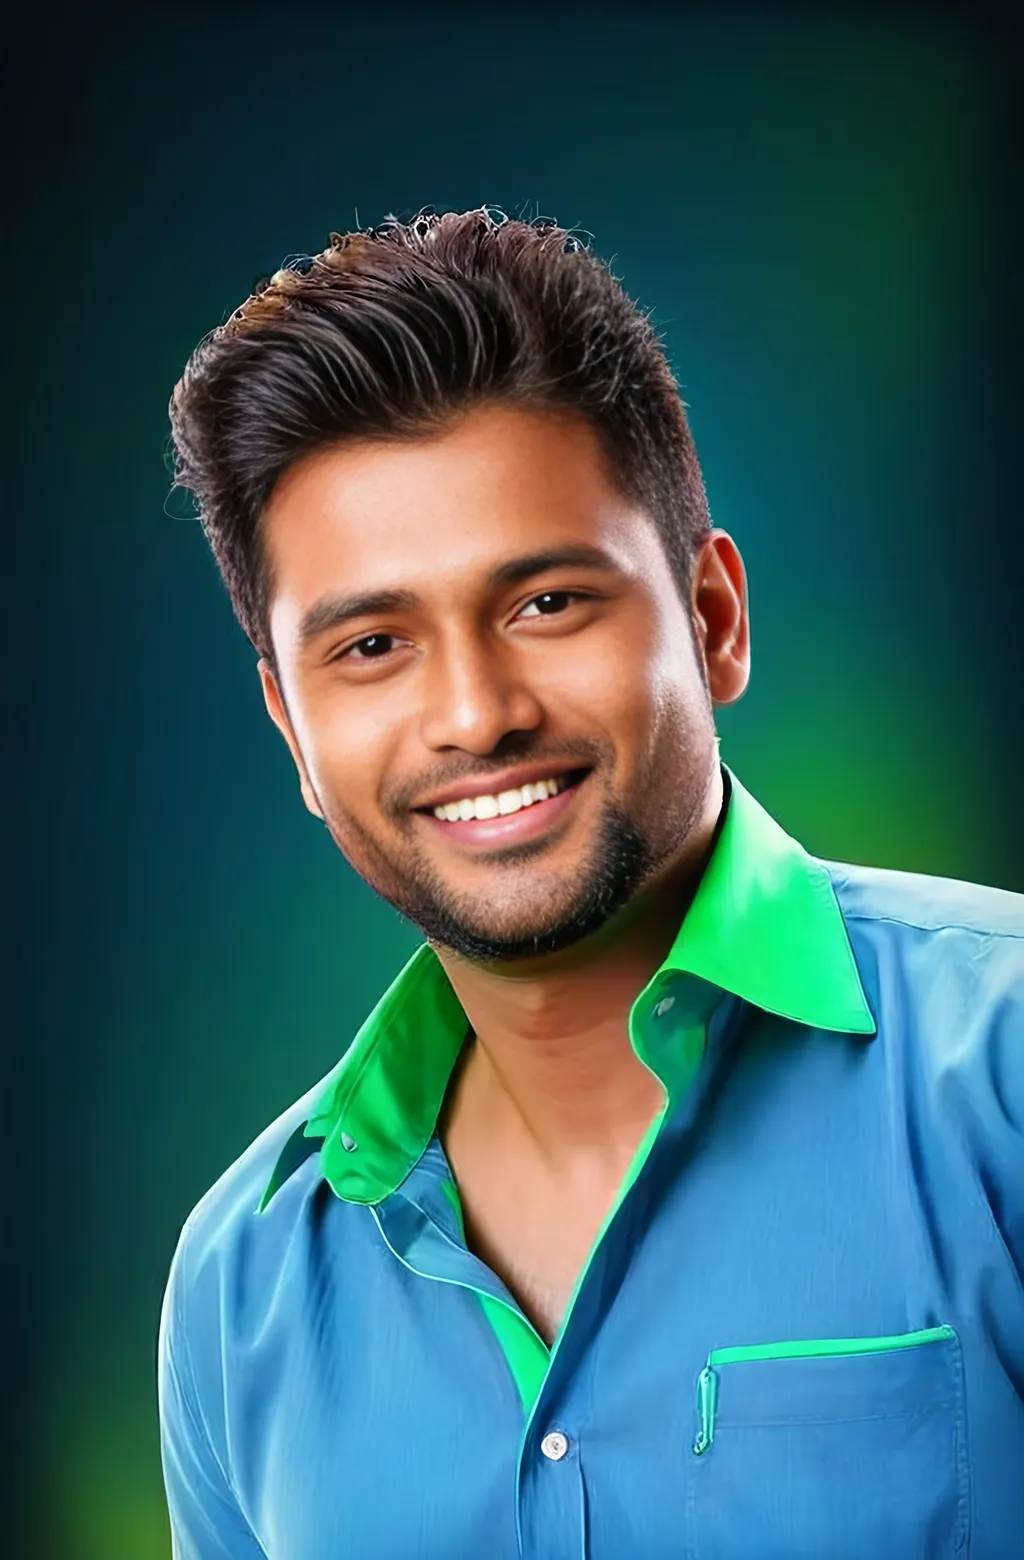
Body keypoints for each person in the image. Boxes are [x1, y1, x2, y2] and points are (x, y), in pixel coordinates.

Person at [159, 207, 1023, 1559]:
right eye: (374, 643)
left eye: (547, 603)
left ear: (713, 619)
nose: (476, 713)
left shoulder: (1003, 1073)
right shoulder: (243, 1287)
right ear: (293, 734)